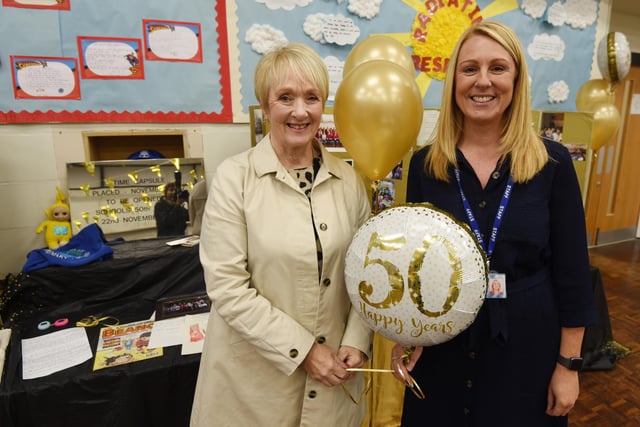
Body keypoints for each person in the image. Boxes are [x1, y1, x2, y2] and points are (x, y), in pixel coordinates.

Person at [391, 21, 597, 427]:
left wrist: (568, 366)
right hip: (443, 343)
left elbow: (572, 272)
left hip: (529, 346)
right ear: (453, 82)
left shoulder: (552, 164)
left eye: (497, 68)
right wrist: (408, 336)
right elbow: (413, 265)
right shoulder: (425, 165)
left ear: (516, 79)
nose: (482, 81)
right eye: (470, 69)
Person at [190, 43, 373, 427]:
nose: (300, 111)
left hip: (334, 383)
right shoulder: (233, 179)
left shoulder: (349, 181)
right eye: (285, 98)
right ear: (266, 103)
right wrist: (306, 351)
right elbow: (226, 286)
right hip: (254, 387)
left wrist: (358, 339)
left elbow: (367, 272)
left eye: (312, 98)